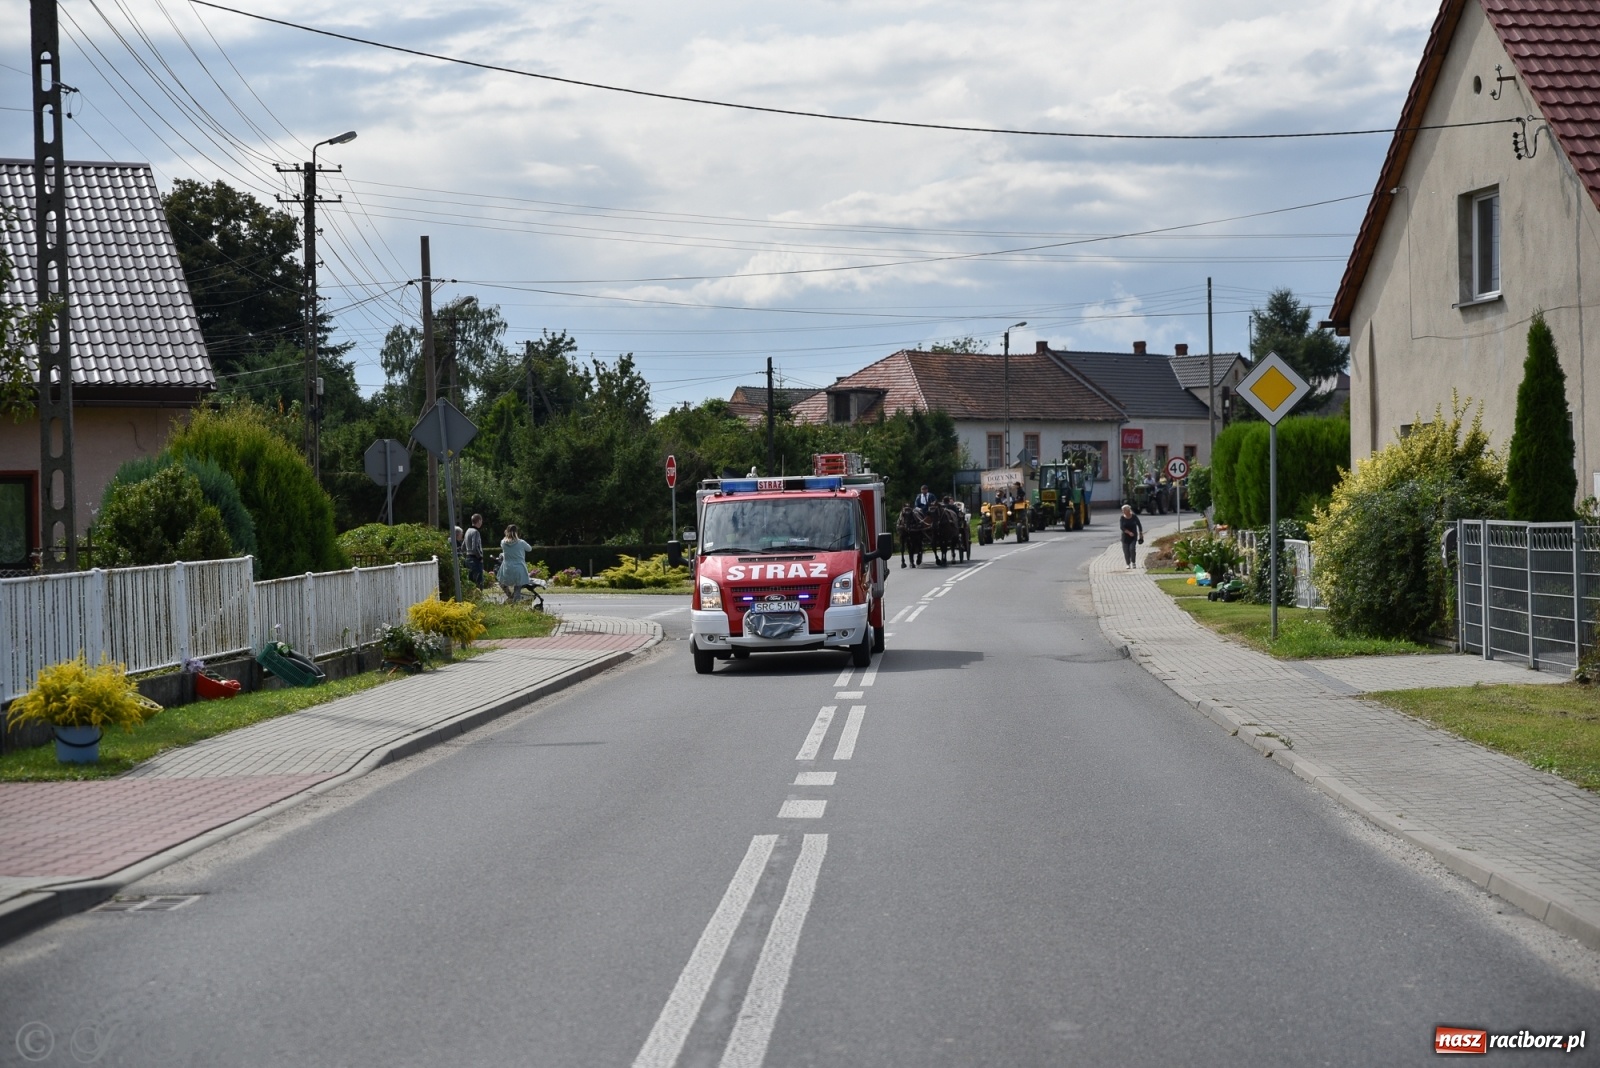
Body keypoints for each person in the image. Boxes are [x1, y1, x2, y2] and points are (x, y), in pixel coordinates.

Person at [499, 524, 534, 604]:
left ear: (506, 532)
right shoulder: (521, 542)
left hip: (507, 569)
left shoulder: (503, 543)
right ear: (517, 532)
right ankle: (516, 605)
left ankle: (510, 597)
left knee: (502, 582)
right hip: (519, 568)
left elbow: (505, 546)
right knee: (517, 588)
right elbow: (529, 549)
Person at [463, 514, 485, 589]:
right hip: (475, 559)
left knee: (471, 581)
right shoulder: (476, 532)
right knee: (479, 581)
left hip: (468, 558)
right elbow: (475, 547)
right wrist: (480, 557)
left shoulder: (467, 531)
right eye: (481, 521)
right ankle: (479, 598)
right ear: (479, 521)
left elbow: (463, 546)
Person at [1119, 504, 1144, 569]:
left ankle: (1133, 562)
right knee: (1126, 551)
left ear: (1128, 510)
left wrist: (1141, 533)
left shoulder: (1134, 516)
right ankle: (1128, 564)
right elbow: (1122, 527)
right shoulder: (1122, 518)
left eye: (1124, 510)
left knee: (1132, 549)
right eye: (1122, 510)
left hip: (1133, 537)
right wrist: (1129, 532)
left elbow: (1139, 524)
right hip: (1125, 537)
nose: (1123, 511)